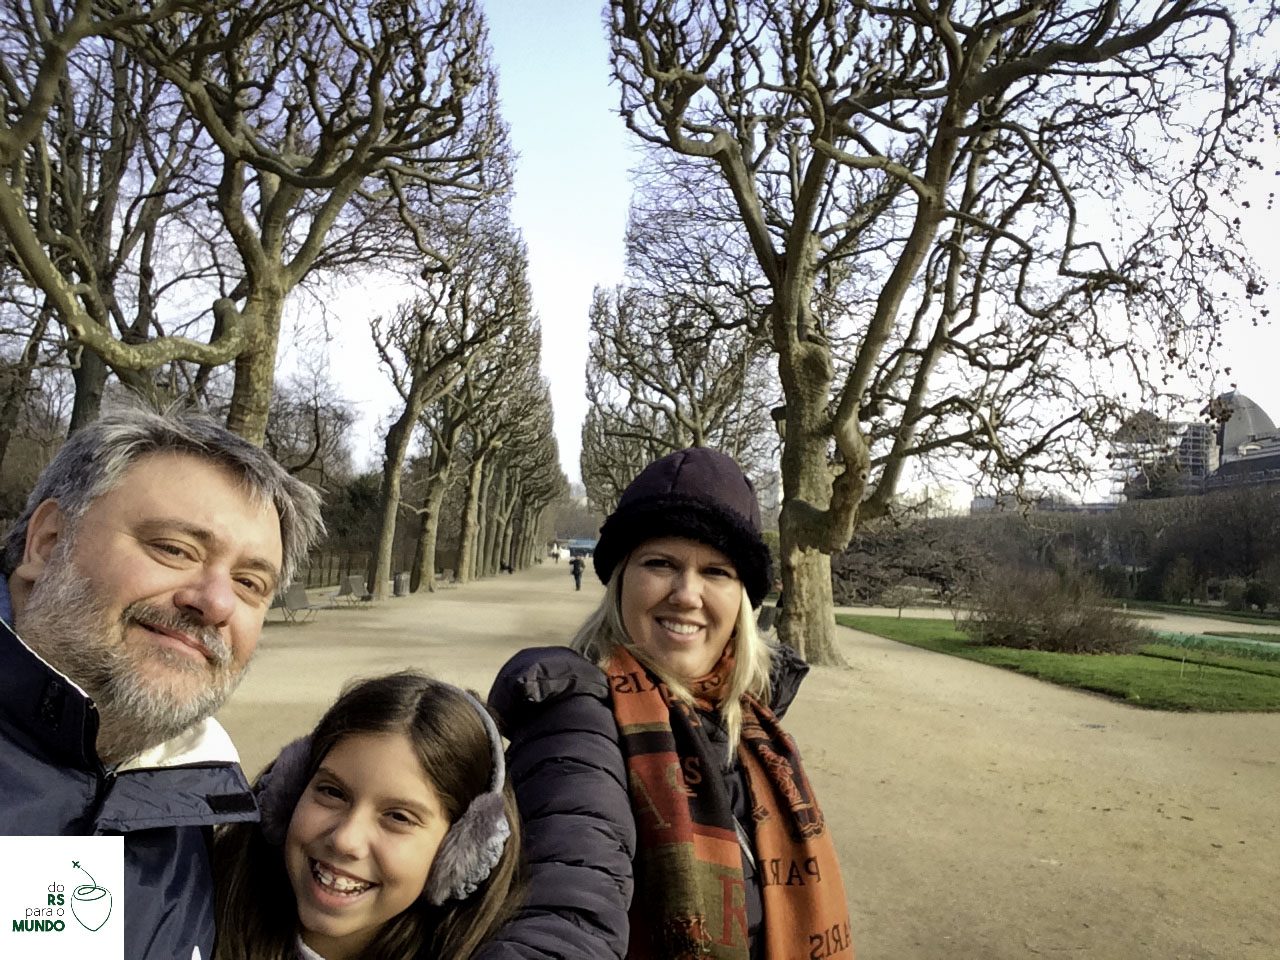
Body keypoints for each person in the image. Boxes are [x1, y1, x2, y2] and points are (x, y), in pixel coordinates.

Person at [487, 448, 853, 960]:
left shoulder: (750, 726)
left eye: (717, 572)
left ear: (744, 599)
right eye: (660, 563)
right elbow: (567, 904)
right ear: (621, 581)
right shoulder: (576, 723)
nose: (687, 593)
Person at [0, 402, 324, 960]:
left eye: (249, 583)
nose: (216, 602)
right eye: (174, 549)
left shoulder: (190, 792)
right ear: (48, 542)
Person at [214, 671, 523, 960]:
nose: (346, 839)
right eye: (332, 792)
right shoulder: (193, 906)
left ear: (465, 856)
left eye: (399, 817)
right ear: (290, 792)